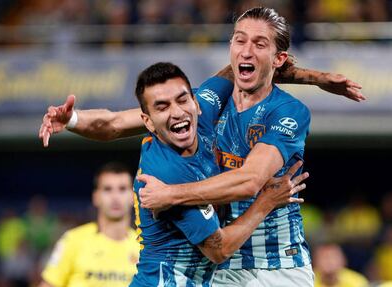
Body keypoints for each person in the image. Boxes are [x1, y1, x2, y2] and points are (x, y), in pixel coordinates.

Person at [137, 7, 364, 287]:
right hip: (220, 266)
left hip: (278, 267)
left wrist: (171, 194)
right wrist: (73, 119)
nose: (246, 51)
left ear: (278, 58)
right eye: (239, 40)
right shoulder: (207, 102)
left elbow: (250, 180)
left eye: (259, 44)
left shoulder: (288, 112)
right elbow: (122, 122)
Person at [128, 62, 308, 286]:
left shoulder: (200, 124)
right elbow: (219, 249)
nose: (176, 112)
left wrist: (316, 78)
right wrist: (267, 201)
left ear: (197, 102)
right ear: (148, 122)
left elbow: (241, 69)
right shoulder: (168, 174)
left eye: (183, 100)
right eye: (162, 107)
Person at [39, 162, 140, 287]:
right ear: (96, 197)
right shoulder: (73, 240)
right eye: (107, 189)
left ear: (133, 196)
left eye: (122, 189)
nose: (115, 197)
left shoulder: (143, 248)